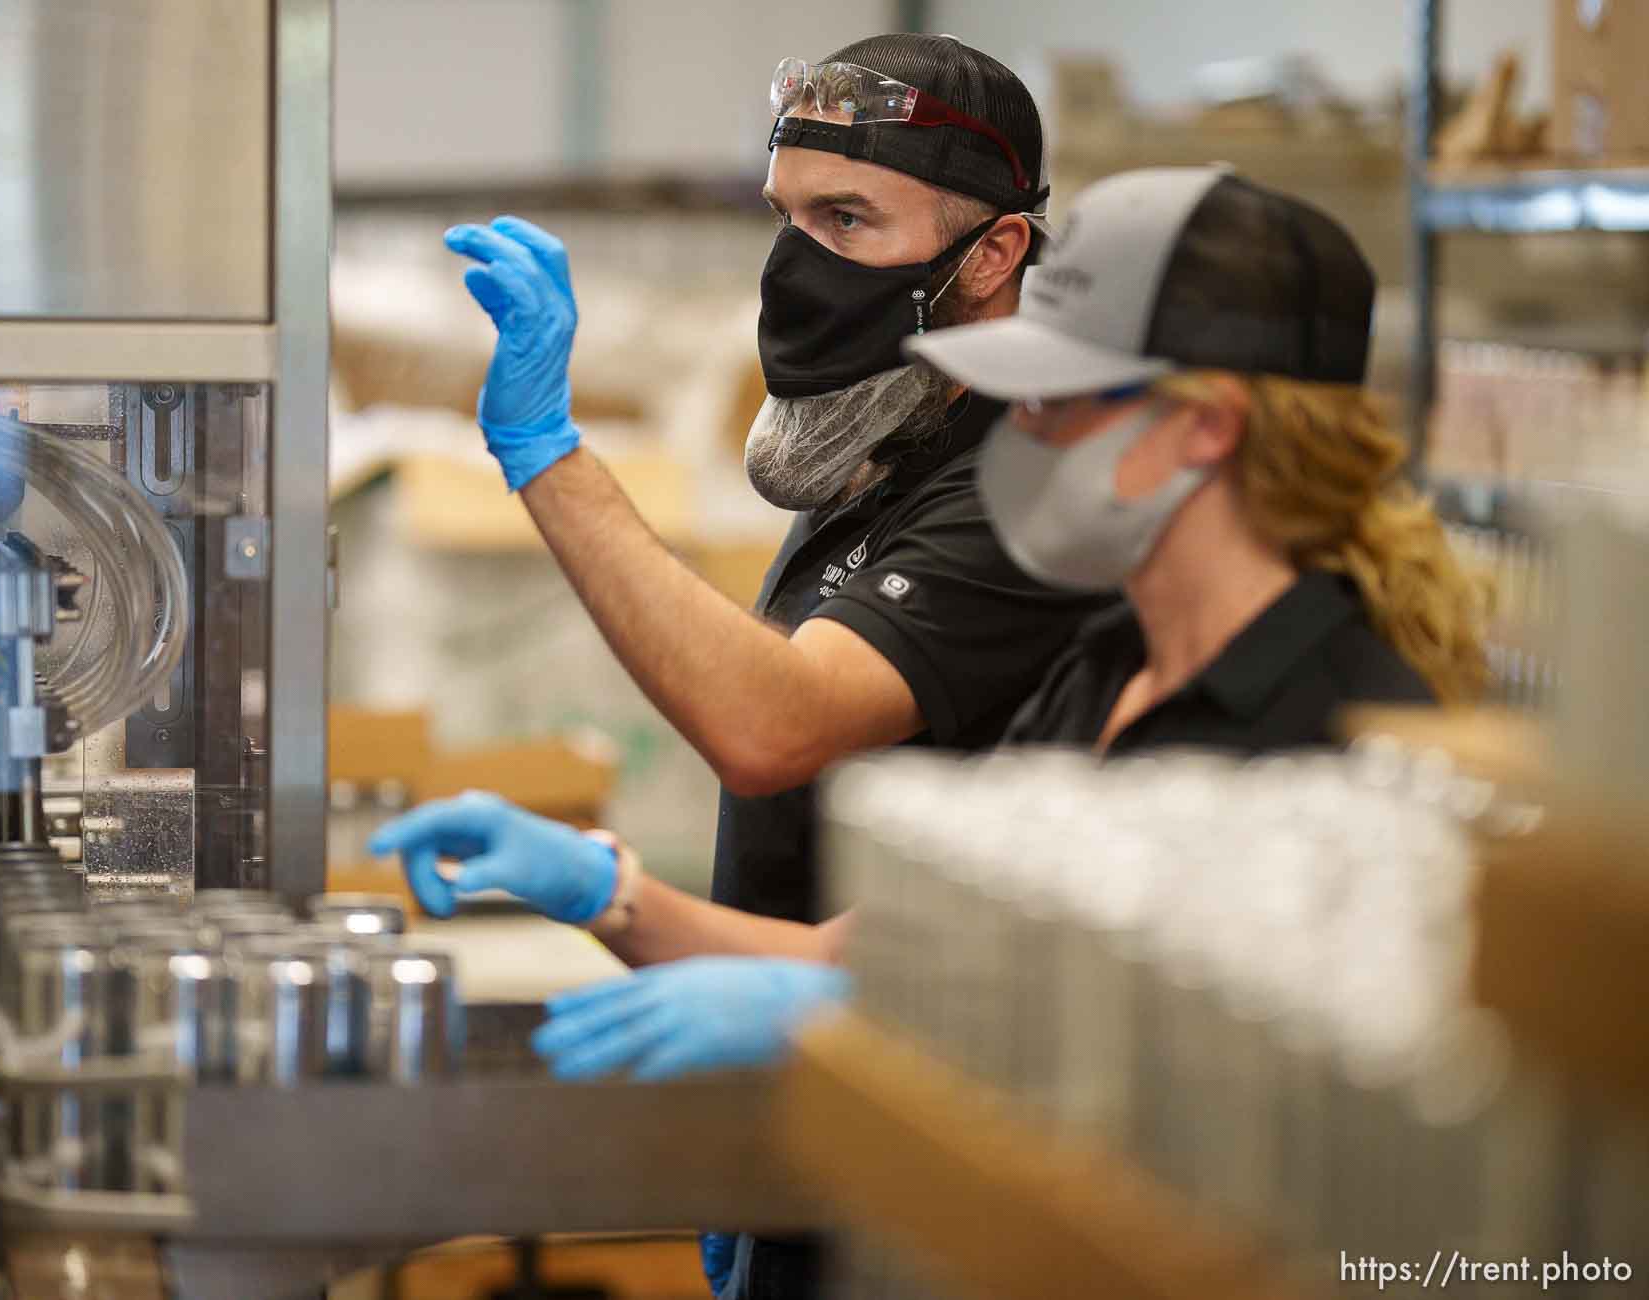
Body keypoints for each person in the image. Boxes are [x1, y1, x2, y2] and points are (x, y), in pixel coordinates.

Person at [376, 166, 1491, 1298]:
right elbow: (855, 965)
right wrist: (606, 893)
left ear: (1203, 427)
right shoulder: (1103, 673)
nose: (1023, 437)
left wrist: (839, 1022)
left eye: (1060, 401)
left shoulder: (1352, 727)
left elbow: (1254, 1116)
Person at [435, 33, 1111, 943]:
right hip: (804, 1002)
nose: (796, 264)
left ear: (993, 255)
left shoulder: (1028, 487)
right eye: (784, 217)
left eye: (845, 219)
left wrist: (547, 455)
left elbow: (775, 727)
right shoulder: (891, 432)